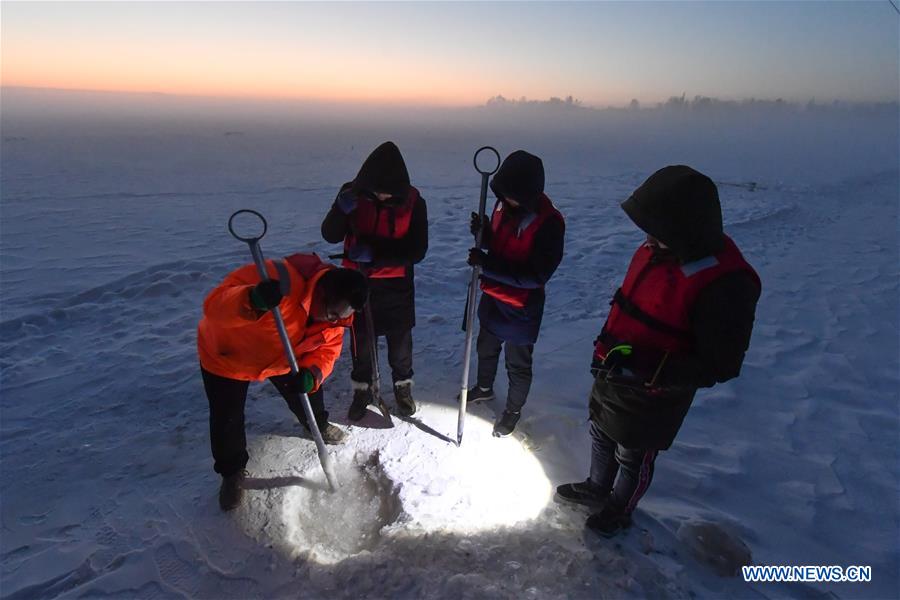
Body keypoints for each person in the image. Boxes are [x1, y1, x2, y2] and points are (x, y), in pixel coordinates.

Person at [555, 165, 761, 537]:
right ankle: (597, 486)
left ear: (682, 227)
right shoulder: (661, 248)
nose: (647, 238)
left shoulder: (725, 284)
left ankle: (619, 508)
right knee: (601, 431)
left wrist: (654, 371)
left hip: (654, 392)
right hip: (614, 370)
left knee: (634, 453)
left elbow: (722, 363)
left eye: (656, 229)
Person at [197, 252, 368, 511]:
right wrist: (251, 300)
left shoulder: (335, 317)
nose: (336, 320)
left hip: (284, 358)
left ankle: (316, 424)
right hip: (228, 357)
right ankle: (231, 473)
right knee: (226, 418)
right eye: (333, 313)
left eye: (341, 315)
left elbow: (327, 351)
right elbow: (214, 307)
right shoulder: (278, 279)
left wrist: (312, 374)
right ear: (323, 293)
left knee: (308, 394)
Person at [321, 141, 428, 421]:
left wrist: (376, 255)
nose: (381, 197)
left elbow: (417, 250)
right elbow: (330, 234)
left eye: (388, 194)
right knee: (362, 342)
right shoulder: (352, 194)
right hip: (357, 282)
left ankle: (402, 387)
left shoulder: (414, 201)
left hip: (397, 285)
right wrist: (339, 210)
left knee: (400, 342)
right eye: (376, 192)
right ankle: (363, 389)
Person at [466, 150, 565, 437]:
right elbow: (499, 244)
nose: (506, 200)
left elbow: (536, 275)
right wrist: (483, 235)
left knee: (517, 364)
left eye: (513, 196)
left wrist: (488, 264)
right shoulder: (502, 205)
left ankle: (512, 410)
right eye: (504, 193)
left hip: (521, 307)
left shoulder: (549, 223)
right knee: (486, 348)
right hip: (493, 297)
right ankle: (484, 388)